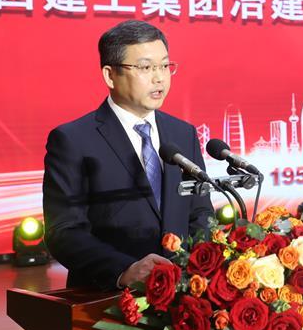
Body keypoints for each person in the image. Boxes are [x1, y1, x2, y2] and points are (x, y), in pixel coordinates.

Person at [42, 20, 213, 291]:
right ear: (110, 75)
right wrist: (124, 270)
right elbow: (64, 232)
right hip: (108, 296)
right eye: (145, 67)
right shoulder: (73, 140)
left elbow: (200, 212)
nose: (159, 78)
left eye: (164, 66)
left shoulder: (183, 134)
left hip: (182, 291)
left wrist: (191, 267)